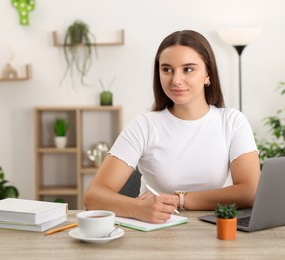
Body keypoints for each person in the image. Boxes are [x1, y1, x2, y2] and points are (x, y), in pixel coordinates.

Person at [84, 30, 260, 224]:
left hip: (211, 230)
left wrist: (181, 200)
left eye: (188, 69)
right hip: (157, 232)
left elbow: (250, 191)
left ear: (208, 74)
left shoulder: (232, 121)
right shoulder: (144, 126)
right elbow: (93, 197)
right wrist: (138, 209)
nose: (176, 80)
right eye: (167, 69)